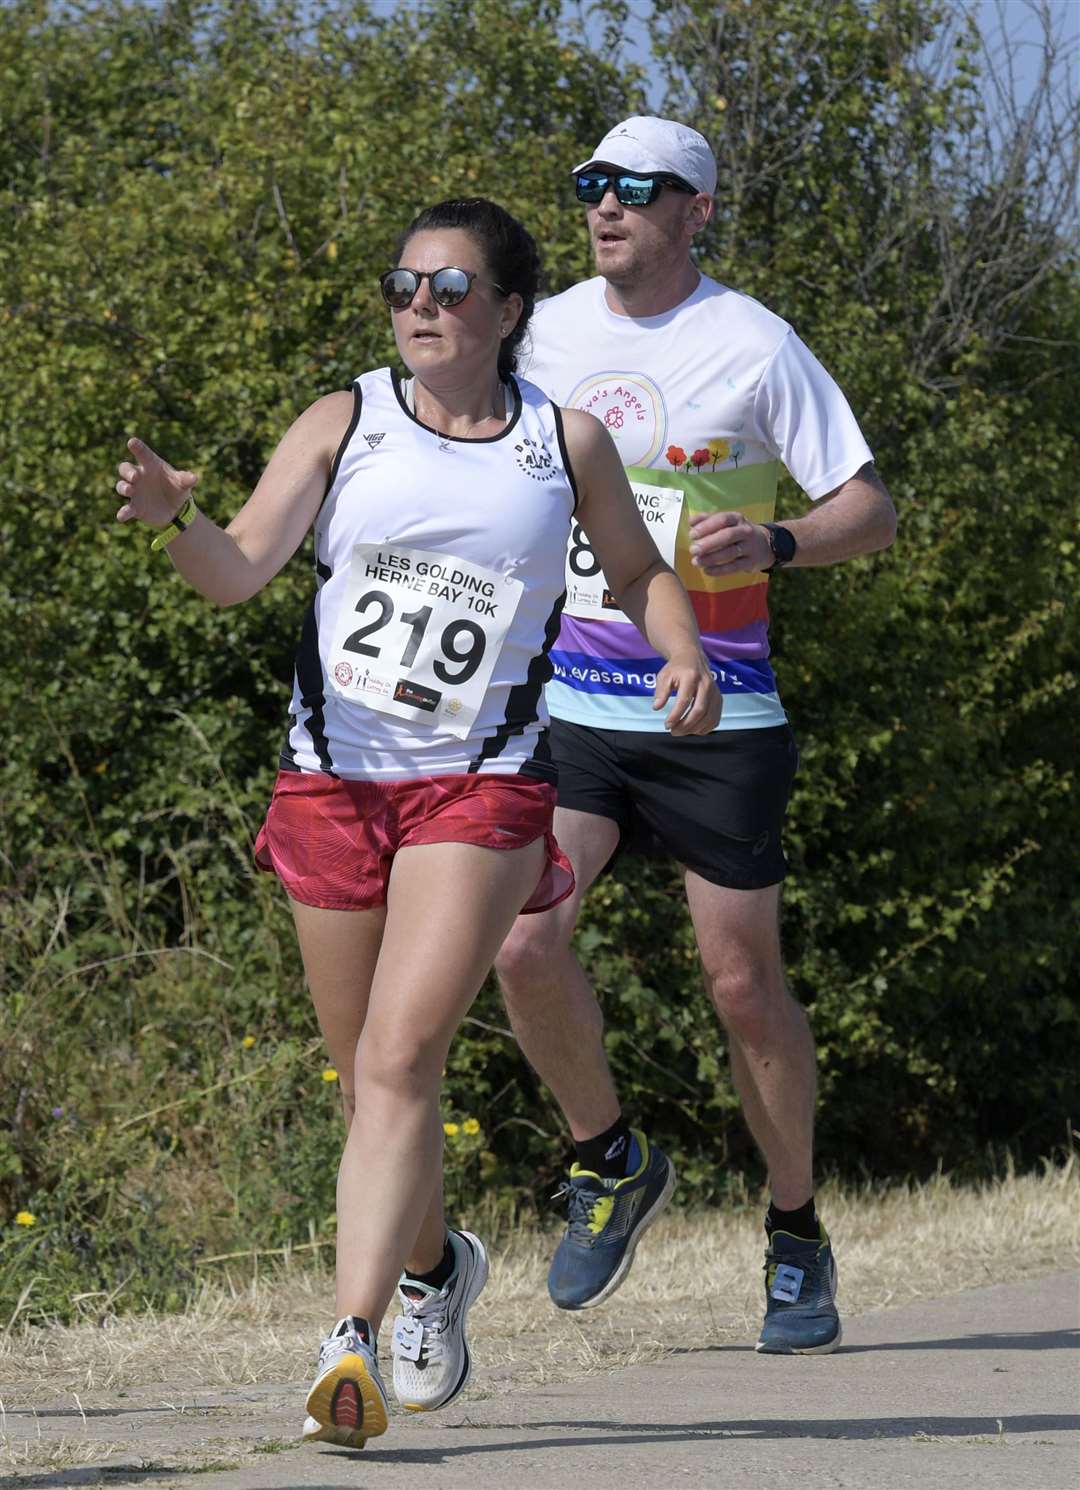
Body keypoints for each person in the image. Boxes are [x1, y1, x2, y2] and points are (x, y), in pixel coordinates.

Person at [113, 196, 720, 1447]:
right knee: (367, 1085)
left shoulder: (568, 441)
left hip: (481, 784)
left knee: (399, 1060)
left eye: (449, 289)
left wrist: (683, 650)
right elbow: (237, 572)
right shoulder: (346, 417)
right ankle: (439, 1268)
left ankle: (351, 1338)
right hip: (331, 781)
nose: (420, 307)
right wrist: (178, 516)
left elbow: (647, 570)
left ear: (507, 311)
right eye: (403, 286)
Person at [495, 118, 897, 1354]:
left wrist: (776, 542)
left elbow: (870, 509)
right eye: (589, 186)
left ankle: (793, 1230)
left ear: (697, 210)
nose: (605, 206)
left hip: (718, 708)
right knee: (521, 941)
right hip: (576, 705)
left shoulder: (754, 343)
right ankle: (610, 1157)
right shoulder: (544, 328)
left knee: (740, 982)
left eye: (635, 189)